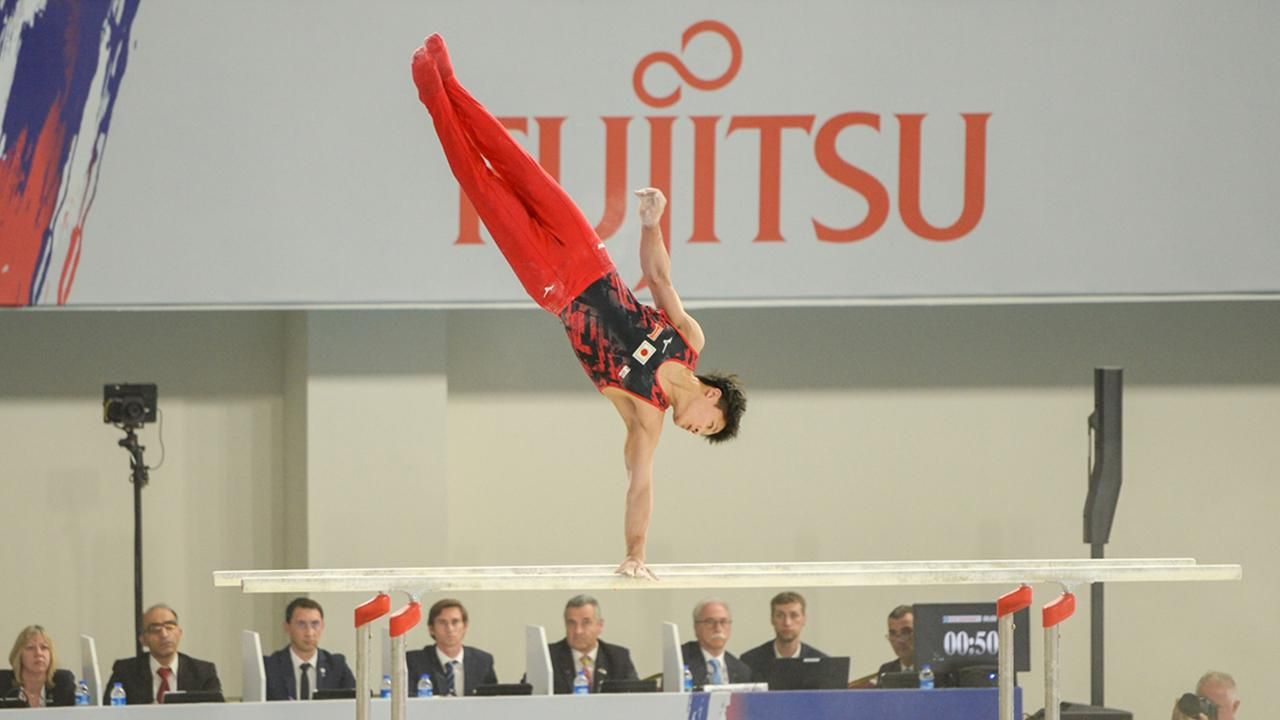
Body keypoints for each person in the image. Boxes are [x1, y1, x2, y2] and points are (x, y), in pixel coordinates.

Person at [410, 34, 747, 580]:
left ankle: (433, 96)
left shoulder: (647, 418)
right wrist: (651, 224)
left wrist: (636, 552)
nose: (699, 433)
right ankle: (450, 81)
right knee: (516, 163)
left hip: (554, 287)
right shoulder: (689, 339)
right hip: (589, 253)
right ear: (712, 396)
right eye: (710, 427)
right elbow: (658, 277)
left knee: (482, 184)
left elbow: (639, 487)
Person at [103, 604, 221, 705]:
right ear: (143, 639)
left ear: (179, 633)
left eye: (170, 627)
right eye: (155, 629)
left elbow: (216, 712)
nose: (164, 634)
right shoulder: (125, 672)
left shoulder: (203, 673)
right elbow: (108, 712)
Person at [264, 597, 355, 700]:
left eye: (315, 624)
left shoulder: (336, 666)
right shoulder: (271, 667)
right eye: (301, 624)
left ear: (322, 626)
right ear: (287, 627)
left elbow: (356, 701)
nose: (309, 633)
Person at [404, 599, 497, 697]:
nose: (450, 629)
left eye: (455, 622)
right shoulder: (414, 661)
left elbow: (493, 699)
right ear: (431, 629)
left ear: (465, 626)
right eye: (442, 622)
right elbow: (407, 698)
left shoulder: (482, 661)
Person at [548, 595, 638, 693]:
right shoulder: (549, 657)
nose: (578, 631)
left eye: (586, 622)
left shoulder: (619, 658)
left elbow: (635, 696)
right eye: (571, 623)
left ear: (600, 625)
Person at [739, 591, 830, 686]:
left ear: (804, 619)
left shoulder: (822, 664)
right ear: (772, 619)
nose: (787, 623)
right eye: (780, 616)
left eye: (794, 615)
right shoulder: (750, 662)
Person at [680, 599, 751, 687]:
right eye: (710, 622)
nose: (718, 628)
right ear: (696, 627)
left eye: (723, 622)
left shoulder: (741, 670)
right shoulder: (681, 659)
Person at [1, 626, 75, 707]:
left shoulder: (63, 683)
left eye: (44, 647)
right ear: (19, 655)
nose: (39, 653)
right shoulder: (2, 683)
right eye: (30, 648)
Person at [875, 605, 914, 685]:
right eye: (893, 634)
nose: (899, 640)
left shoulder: (935, 671)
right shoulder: (886, 671)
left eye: (906, 632)